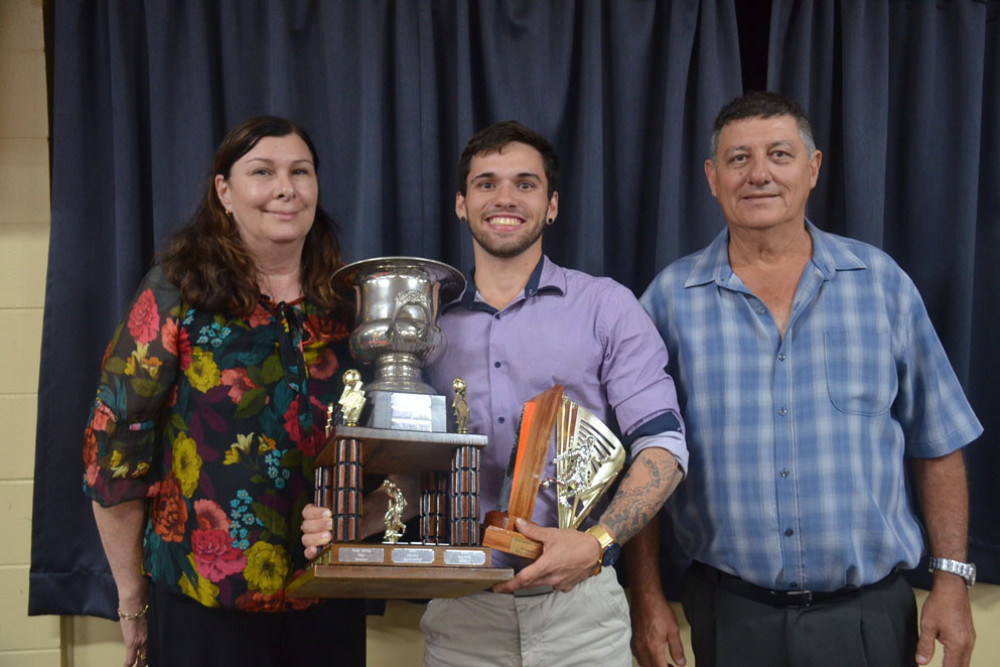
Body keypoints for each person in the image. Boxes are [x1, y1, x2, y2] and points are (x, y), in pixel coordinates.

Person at [303, 120, 688, 666]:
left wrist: (597, 543)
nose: (504, 198)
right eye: (486, 183)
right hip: (461, 613)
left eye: (525, 184)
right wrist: (355, 521)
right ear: (461, 204)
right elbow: (422, 475)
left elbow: (664, 449)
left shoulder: (607, 307)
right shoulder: (426, 329)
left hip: (581, 613)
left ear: (552, 205)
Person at [629, 91, 983, 667]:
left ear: (813, 168)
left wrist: (951, 582)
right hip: (728, 616)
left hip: (869, 618)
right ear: (712, 177)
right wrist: (645, 598)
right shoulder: (667, 301)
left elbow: (937, 443)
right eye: (739, 159)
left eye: (779, 154)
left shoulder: (883, 285)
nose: (759, 174)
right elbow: (642, 458)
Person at [83, 116, 365, 667]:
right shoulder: (178, 290)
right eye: (263, 172)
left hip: (330, 598)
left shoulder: (347, 301)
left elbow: (382, 445)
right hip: (204, 606)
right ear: (225, 192)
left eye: (300, 172)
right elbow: (113, 453)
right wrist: (132, 601)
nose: (286, 188)